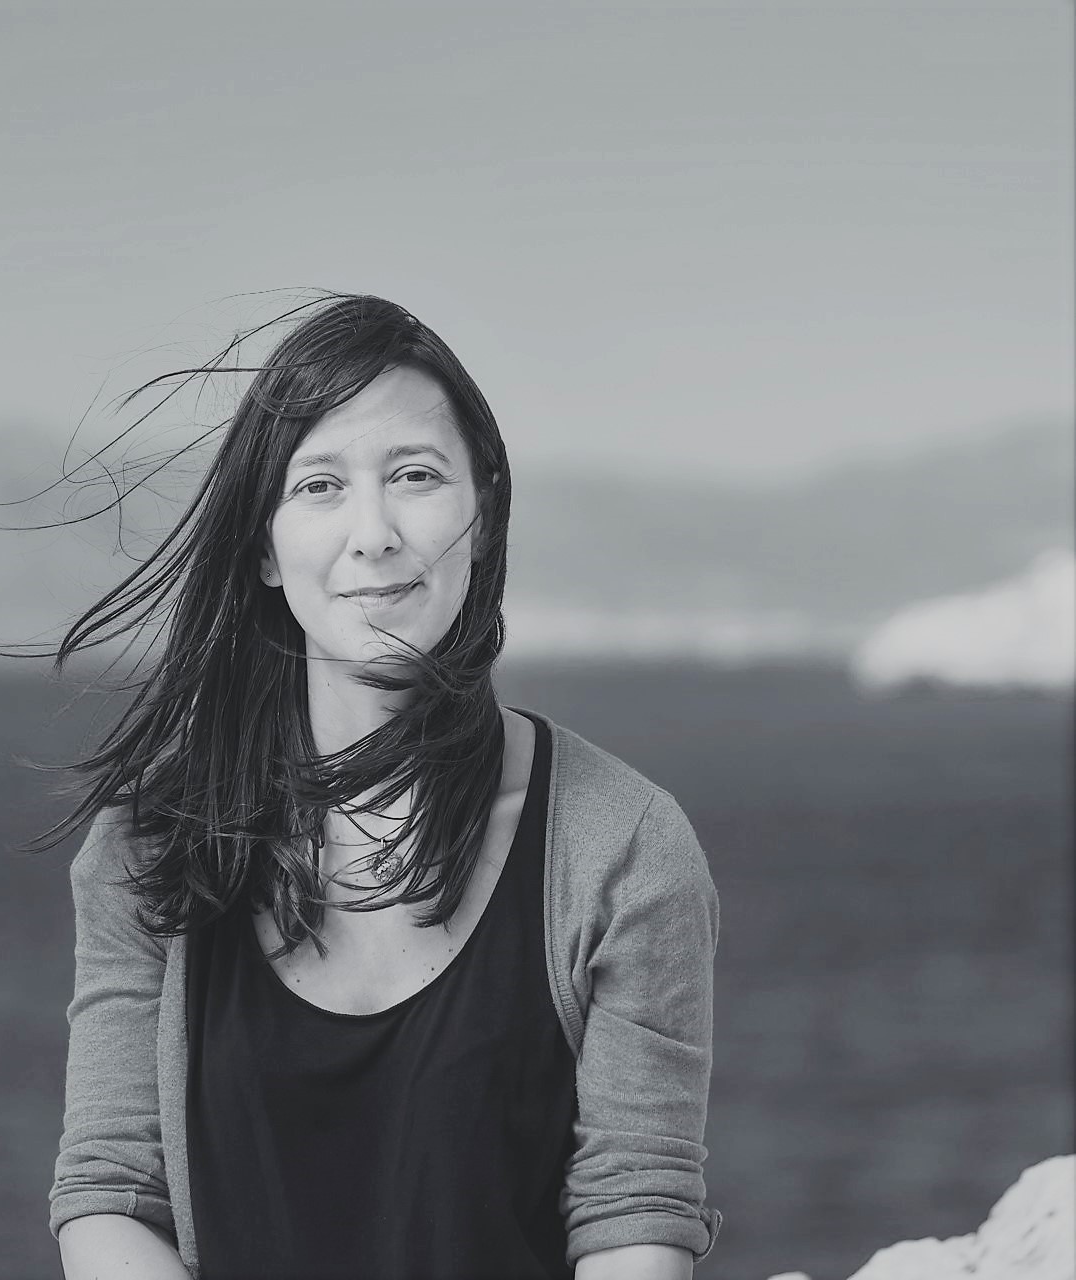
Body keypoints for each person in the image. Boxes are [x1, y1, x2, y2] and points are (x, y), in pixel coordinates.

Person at [41, 293, 723, 1279]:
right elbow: (110, 1194)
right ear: (264, 546)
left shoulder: (622, 848)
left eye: (415, 475)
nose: (373, 534)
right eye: (319, 485)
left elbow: (635, 1220)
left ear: (482, 513)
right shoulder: (150, 842)